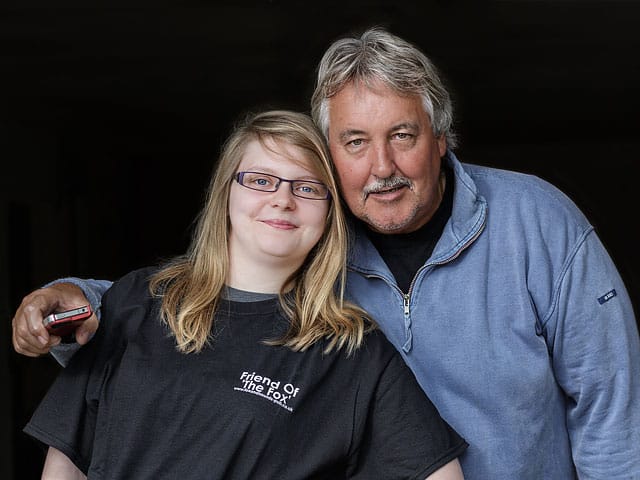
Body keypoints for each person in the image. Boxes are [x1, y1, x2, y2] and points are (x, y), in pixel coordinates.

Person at [13, 27, 640, 478]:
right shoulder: (309, 235)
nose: (382, 167)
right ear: (330, 152)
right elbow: (192, 299)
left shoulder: (537, 221)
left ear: (442, 139)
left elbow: (611, 401)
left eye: (403, 135)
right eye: (355, 142)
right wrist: (69, 301)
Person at [20, 110, 467, 479]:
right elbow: (66, 462)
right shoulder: (138, 300)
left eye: (308, 188)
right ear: (226, 192)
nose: (282, 199)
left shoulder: (350, 352)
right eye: (260, 180)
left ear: (331, 214)